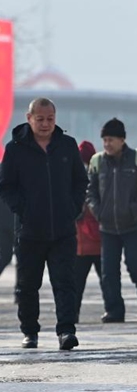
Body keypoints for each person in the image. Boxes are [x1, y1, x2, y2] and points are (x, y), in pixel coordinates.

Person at [0, 98, 87, 350]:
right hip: (29, 231)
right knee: (28, 286)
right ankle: (30, 331)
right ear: (29, 119)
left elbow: (80, 182)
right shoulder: (15, 148)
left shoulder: (67, 146)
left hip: (63, 230)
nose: (45, 124)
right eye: (40, 119)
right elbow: (7, 185)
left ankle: (66, 331)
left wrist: (73, 208)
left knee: (65, 283)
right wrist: (23, 210)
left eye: (50, 118)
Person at [87, 118, 137, 323]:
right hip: (107, 227)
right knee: (109, 272)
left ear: (122, 139)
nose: (107, 144)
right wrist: (98, 211)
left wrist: (135, 209)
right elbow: (90, 191)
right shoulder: (97, 162)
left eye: (110, 139)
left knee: (135, 265)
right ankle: (114, 310)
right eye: (104, 140)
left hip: (134, 225)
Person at [75, 141, 102, 323]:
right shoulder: (102, 175)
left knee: (76, 282)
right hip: (100, 236)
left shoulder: (73, 176)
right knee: (107, 279)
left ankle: (72, 313)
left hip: (81, 239)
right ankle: (114, 310)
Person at [0, 198, 13, 277]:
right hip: (7, 225)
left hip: (6, 224)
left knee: (6, 256)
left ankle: (20, 285)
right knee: (7, 256)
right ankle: (20, 286)